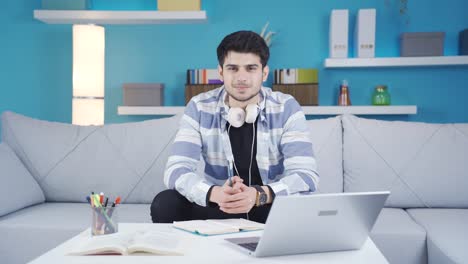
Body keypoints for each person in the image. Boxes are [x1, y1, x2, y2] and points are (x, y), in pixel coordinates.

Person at [151, 30, 318, 224]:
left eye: (250, 68)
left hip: (268, 205)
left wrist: (257, 195)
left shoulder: (287, 107)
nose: (241, 78)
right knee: (165, 204)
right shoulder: (199, 106)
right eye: (233, 68)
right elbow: (176, 170)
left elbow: (306, 176)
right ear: (221, 72)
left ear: (264, 73)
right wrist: (215, 193)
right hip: (221, 205)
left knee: (306, 206)